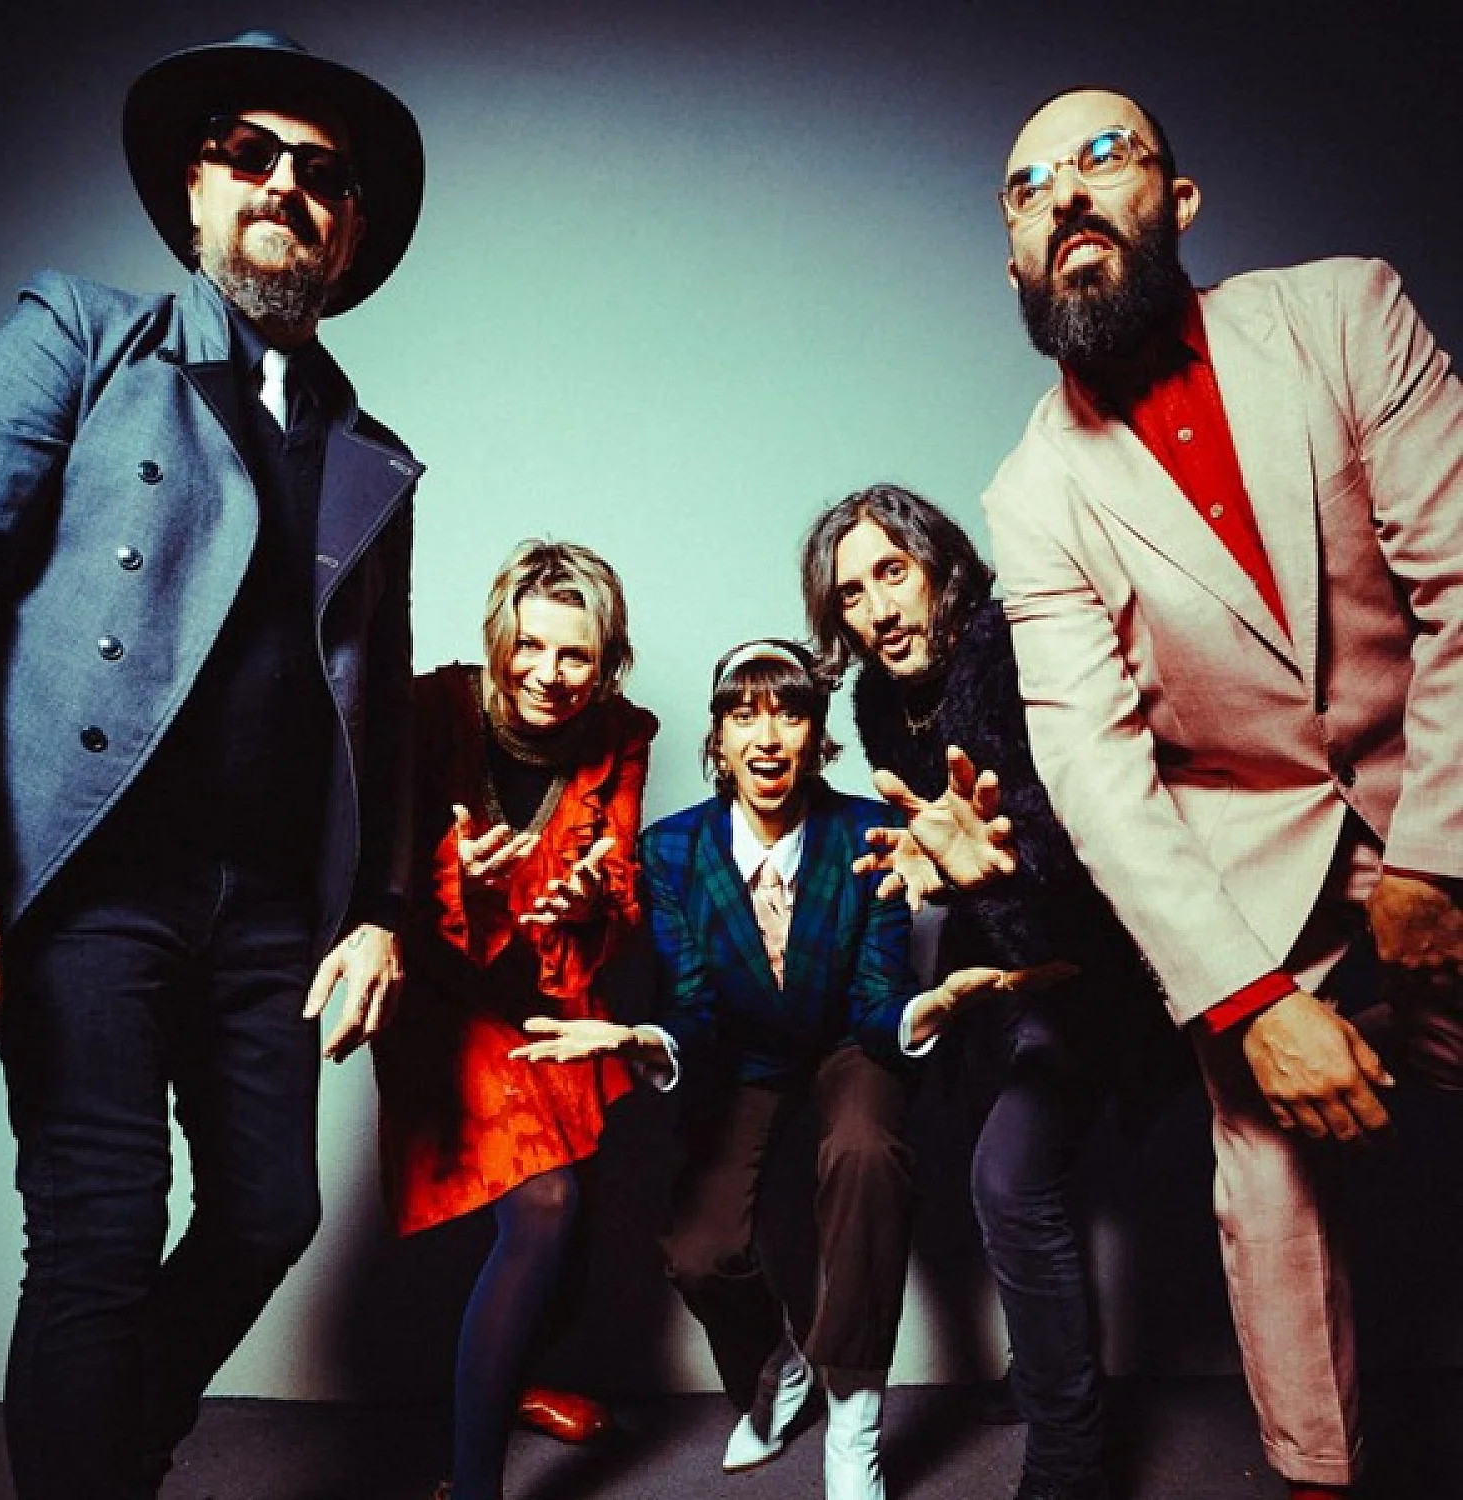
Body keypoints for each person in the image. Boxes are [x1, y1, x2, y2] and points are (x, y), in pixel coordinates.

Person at [979, 86, 1463, 1500]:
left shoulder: (1346, 316)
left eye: (1102, 156)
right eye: (1026, 189)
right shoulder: (1032, 496)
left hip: (1440, 790)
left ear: (1178, 202)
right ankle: (1319, 1479)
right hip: (1251, 882)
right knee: (1264, 1169)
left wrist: (1434, 857)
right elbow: (1095, 771)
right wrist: (1249, 1001)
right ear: (1014, 265)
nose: (1065, 194)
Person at [0, 27, 424, 1500]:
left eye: (321, 174)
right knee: (97, 1235)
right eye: (250, 153)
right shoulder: (85, 337)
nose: (285, 185)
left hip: (269, 907)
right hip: (90, 874)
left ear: (348, 230)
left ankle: (102, 1456)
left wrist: (380, 911)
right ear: (196, 188)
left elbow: (381, 711)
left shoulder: (373, 455)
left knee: (271, 1211)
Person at [515, 639, 1065, 1500]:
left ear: (816, 734)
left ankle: (854, 1413)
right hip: (739, 1053)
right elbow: (693, 1003)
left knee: (866, 1156)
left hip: (850, 1039)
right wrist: (643, 1038)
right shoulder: (672, 851)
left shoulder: (865, 834)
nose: (767, 738)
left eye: (790, 713)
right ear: (719, 738)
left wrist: (931, 1007)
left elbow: (878, 997)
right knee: (697, 1251)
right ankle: (780, 1365)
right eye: (744, 715)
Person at [800, 484, 1172, 1500]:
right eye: (851, 593)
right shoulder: (877, 700)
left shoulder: (1015, 649)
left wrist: (996, 865)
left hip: (1101, 951)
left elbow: (1107, 826)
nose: (877, 609)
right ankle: (1045, 1365)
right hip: (995, 954)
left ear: (940, 569)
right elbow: (940, 837)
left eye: (892, 573)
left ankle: (1068, 1462)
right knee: (971, 1126)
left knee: (1011, 1179)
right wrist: (942, 874)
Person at [372, 540, 657, 1500]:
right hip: (447, 996)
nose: (548, 674)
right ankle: (472, 1485)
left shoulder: (621, 734)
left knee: (578, 1199)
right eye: (529, 646)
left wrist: (590, 900)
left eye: (576, 655)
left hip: (555, 994)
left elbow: (619, 879)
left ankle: (518, 1378)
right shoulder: (430, 711)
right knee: (545, 1205)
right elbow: (370, 867)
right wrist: (453, 878)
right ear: (498, 638)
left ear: (606, 661)